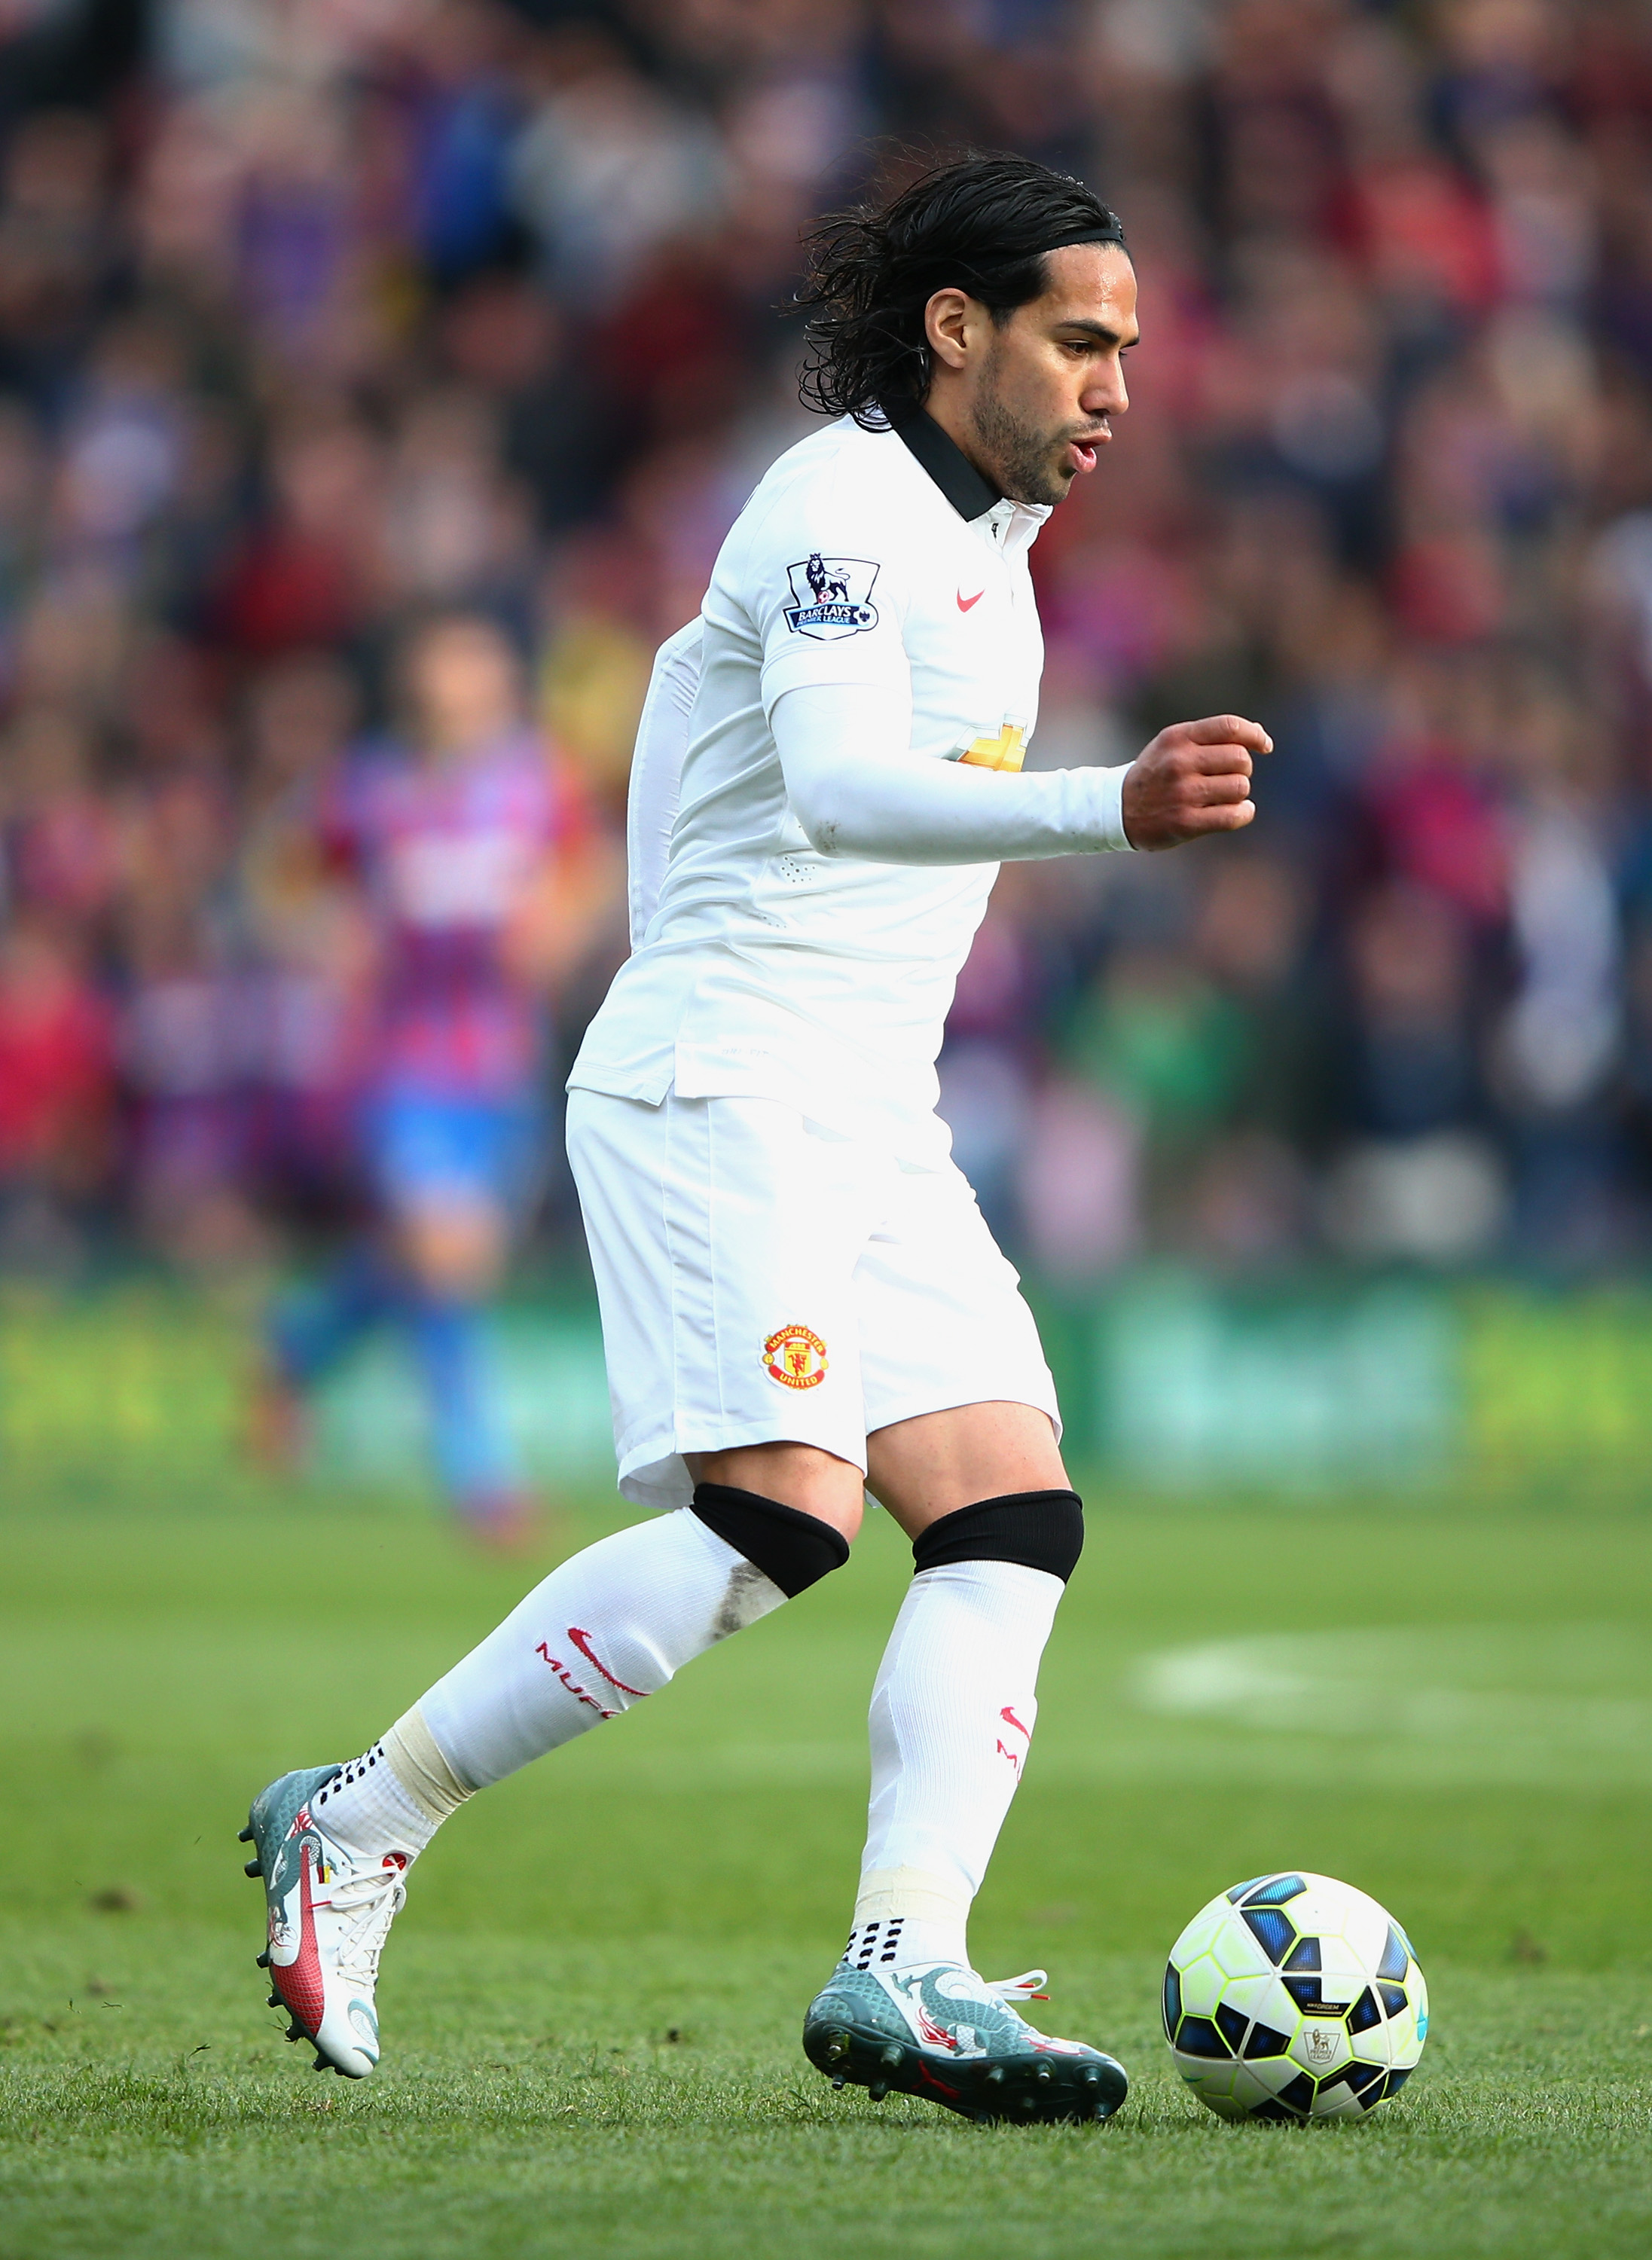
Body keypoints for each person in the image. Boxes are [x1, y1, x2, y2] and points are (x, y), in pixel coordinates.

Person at [239, 156, 1269, 2123]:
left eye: (1127, 349)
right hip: (724, 1076)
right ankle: (359, 1821)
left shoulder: (990, 548)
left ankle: (908, 1966)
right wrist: (1104, 809)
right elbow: (837, 786)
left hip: (869, 1108)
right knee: (781, 1517)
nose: (1116, 386)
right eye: (1080, 340)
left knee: (1009, 1518)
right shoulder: (836, 508)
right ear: (954, 329)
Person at [255, 612, 602, 1540]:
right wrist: (323, 935)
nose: (458, 691)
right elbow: (282, 877)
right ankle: (481, 1478)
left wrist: (559, 924)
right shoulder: (367, 788)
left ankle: (298, 1344)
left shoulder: (539, 782)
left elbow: (589, 872)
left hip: (506, 1061)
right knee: (446, 1256)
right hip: (400, 1059)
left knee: (442, 1262)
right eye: (444, 673)